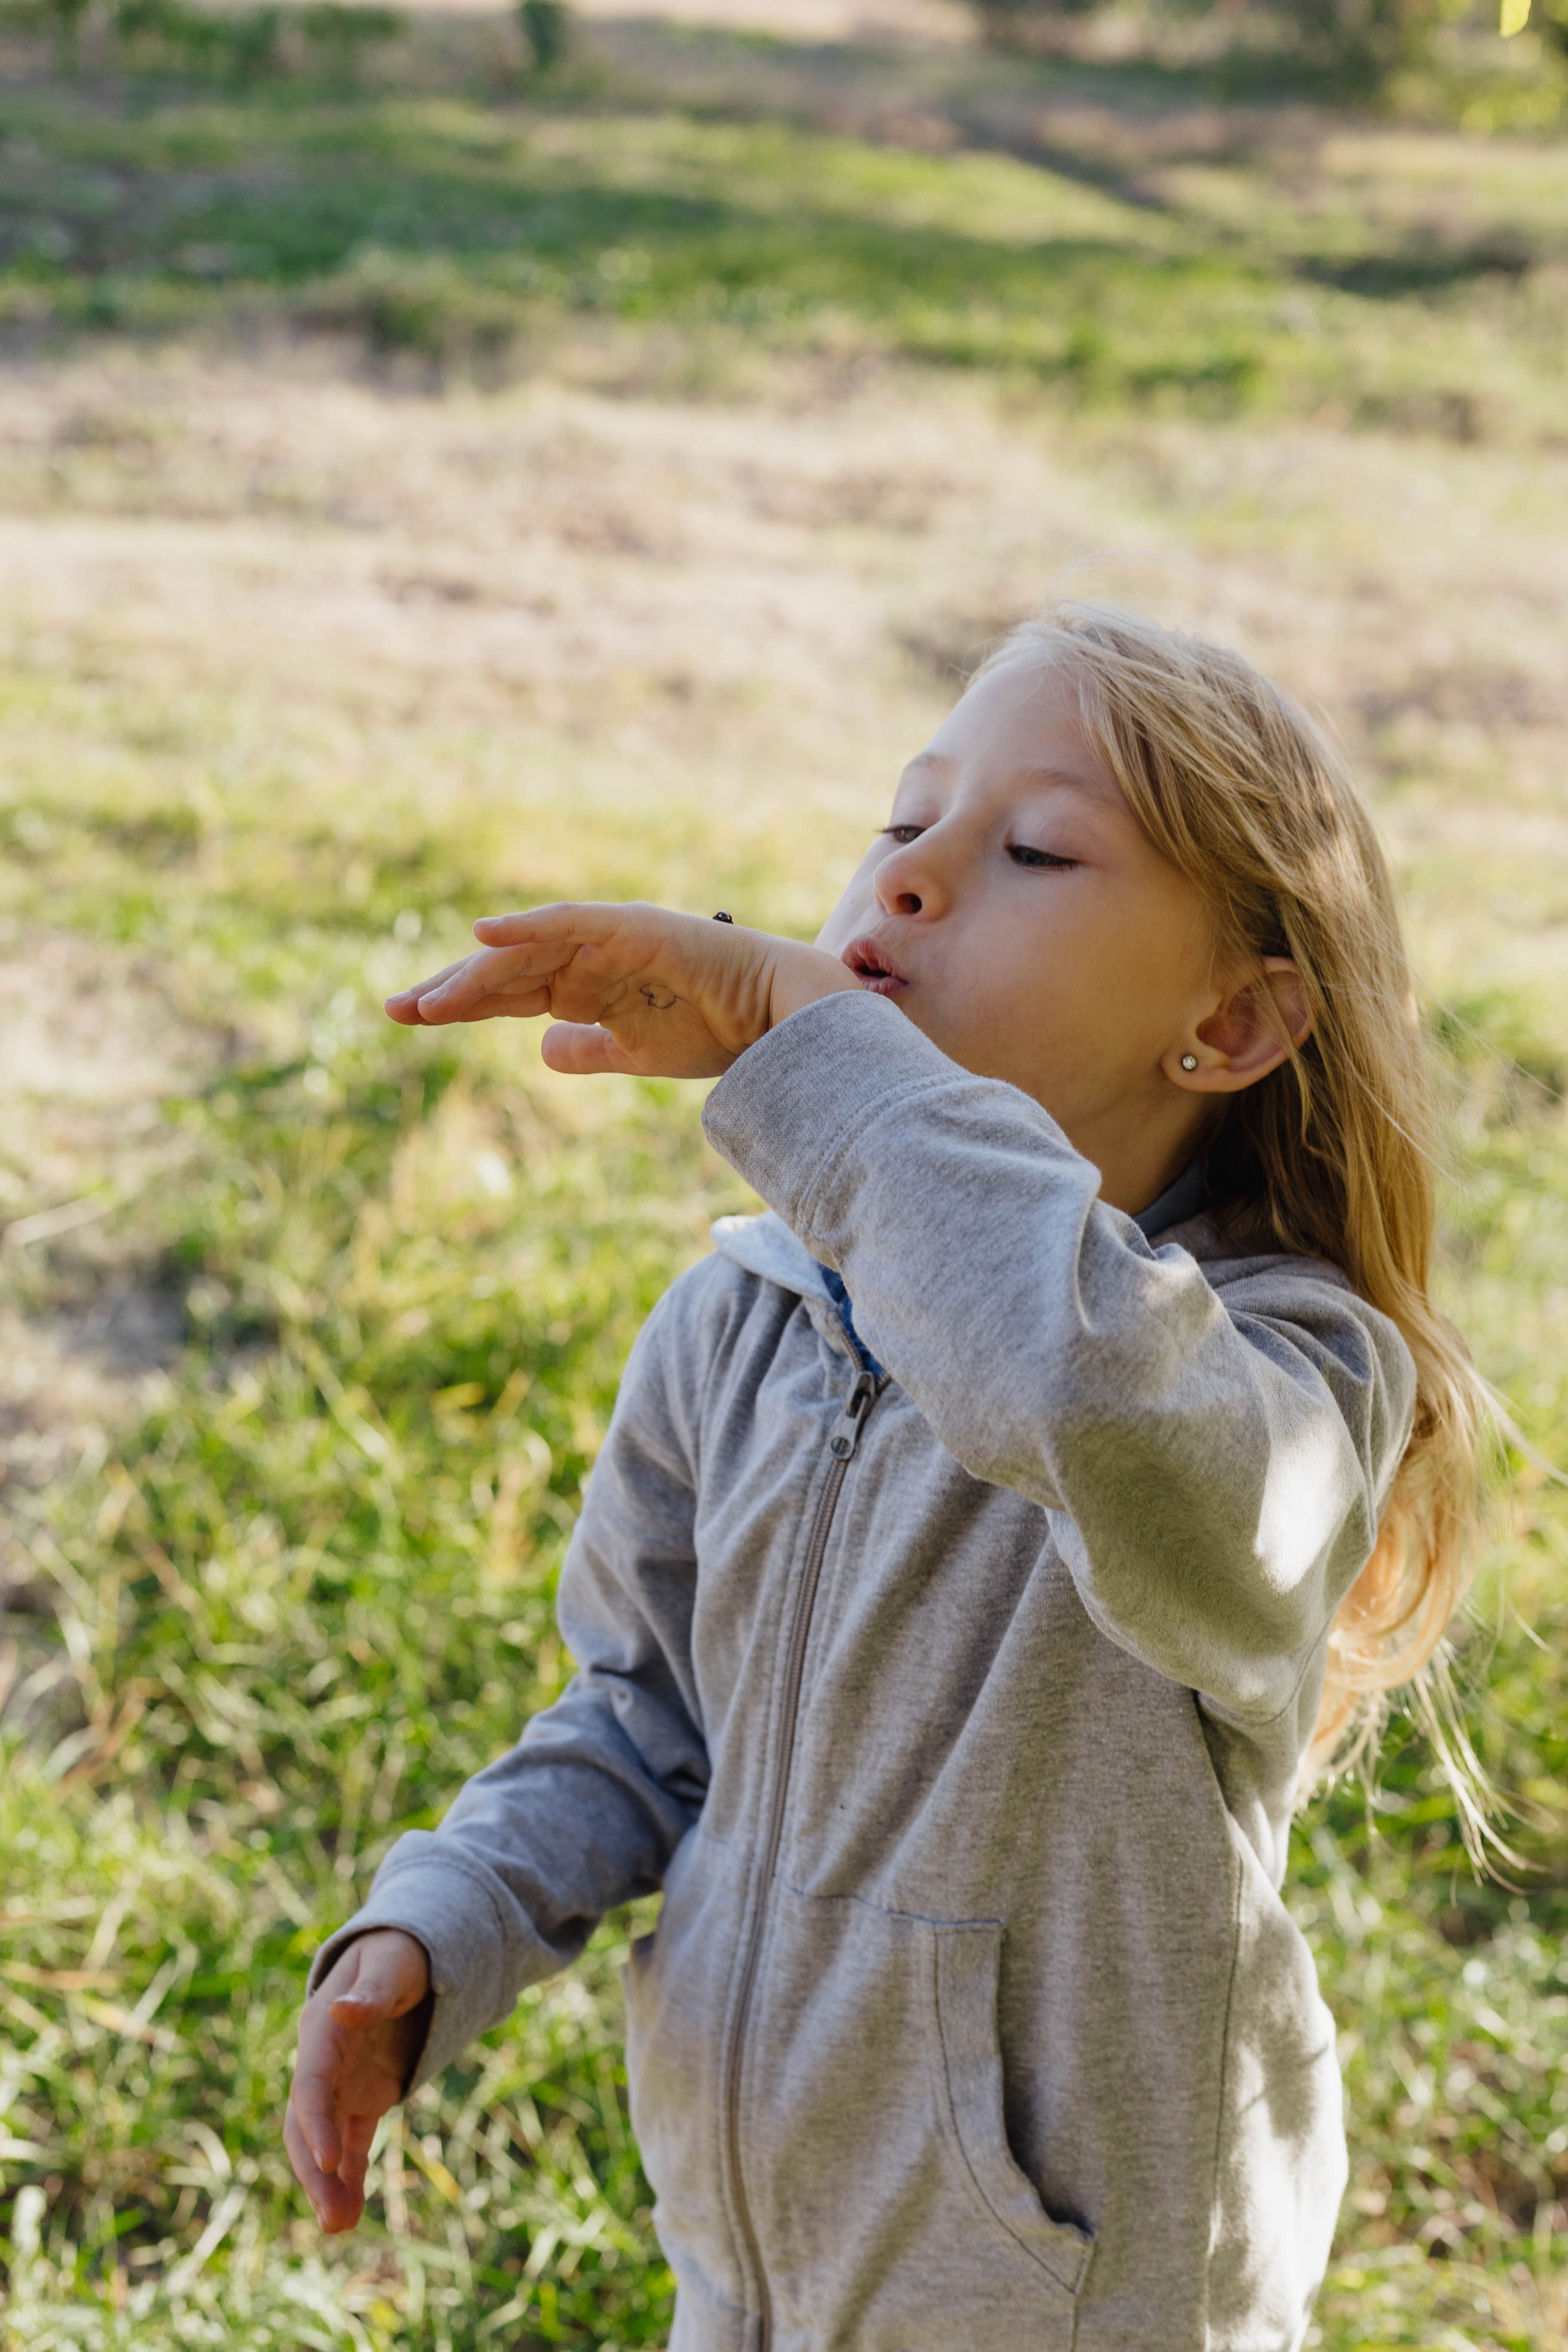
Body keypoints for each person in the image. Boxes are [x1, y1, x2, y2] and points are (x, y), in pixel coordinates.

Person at [284, 603, 1488, 2351]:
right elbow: (639, 1723)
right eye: (904, 818)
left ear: (1230, 1023)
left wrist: (798, 1024)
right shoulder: (742, 1325)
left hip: (1075, 2301)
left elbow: (1074, 1391)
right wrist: (443, 1923)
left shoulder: (1281, 1376)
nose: (912, 873)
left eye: (1033, 848)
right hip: (758, 2276)